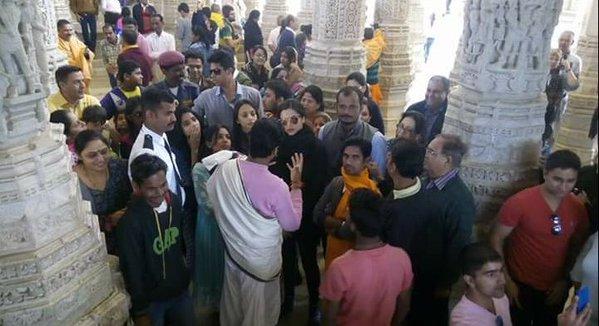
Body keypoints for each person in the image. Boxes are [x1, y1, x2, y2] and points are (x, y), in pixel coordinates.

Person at [207, 119, 303, 325]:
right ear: (275, 150)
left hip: (234, 255)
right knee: (258, 314)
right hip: (260, 262)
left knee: (234, 307)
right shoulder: (277, 186)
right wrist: (296, 185)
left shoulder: (226, 169)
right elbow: (291, 224)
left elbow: (212, 195)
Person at [490, 149, 589, 326]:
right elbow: (496, 238)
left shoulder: (577, 207)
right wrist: (505, 279)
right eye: (557, 179)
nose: (564, 187)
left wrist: (564, 280)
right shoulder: (519, 203)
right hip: (520, 285)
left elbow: (578, 246)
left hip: (555, 288)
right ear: (545, 173)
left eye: (570, 181)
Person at [117, 153, 195, 326]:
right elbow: (132, 269)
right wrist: (140, 311)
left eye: (163, 184)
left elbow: (181, 244)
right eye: (151, 188)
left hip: (180, 291)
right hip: (152, 302)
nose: (159, 192)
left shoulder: (174, 201)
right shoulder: (130, 223)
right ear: (136, 186)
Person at [270, 99, 328, 322]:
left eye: (294, 119)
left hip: (307, 213)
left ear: (303, 119)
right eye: (284, 121)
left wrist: (300, 185)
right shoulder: (280, 146)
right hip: (284, 211)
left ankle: (314, 303)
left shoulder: (315, 147)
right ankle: (288, 299)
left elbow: (319, 182)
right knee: (287, 258)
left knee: (309, 260)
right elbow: (275, 178)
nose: (289, 125)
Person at [407, 133, 475, 325]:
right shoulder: (426, 180)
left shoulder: (459, 199)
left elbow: (458, 244)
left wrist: (446, 282)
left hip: (433, 278)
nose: (425, 155)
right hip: (414, 270)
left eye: (431, 152)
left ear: (447, 160)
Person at [320, 188, 413, 325]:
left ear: (352, 225)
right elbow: (404, 305)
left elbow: (329, 317)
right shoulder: (401, 258)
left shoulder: (340, 267)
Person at [314, 137, 380, 269]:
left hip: (358, 257)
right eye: (346, 156)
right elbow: (317, 214)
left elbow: (351, 233)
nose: (348, 162)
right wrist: (343, 224)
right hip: (333, 251)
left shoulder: (372, 191)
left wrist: (332, 225)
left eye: (355, 157)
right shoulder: (337, 182)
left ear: (366, 161)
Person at [74, 130, 131, 254]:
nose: (100, 159)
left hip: (128, 237)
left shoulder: (121, 168)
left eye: (104, 152)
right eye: (92, 155)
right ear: (79, 155)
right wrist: (108, 221)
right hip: (94, 247)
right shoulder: (73, 183)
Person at [128, 88, 186, 206]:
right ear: (150, 115)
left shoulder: (160, 133)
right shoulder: (146, 152)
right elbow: (153, 198)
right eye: (168, 113)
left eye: (173, 112)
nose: (174, 118)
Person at [319, 86, 387, 178]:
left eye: (352, 107)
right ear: (336, 107)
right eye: (342, 106)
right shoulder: (325, 131)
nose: (346, 112)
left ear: (361, 107)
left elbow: (379, 177)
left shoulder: (375, 138)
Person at [192, 49, 263, 130]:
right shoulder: (205, 97)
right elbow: (192, 119)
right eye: (211, 71)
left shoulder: (253, 94)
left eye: (216, 71)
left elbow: (262, 125)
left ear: (229, 71)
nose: (212, 75)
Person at [450, 243, 512, 326]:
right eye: (491, 275)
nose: (502, 281)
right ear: (470, 280)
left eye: (501, 271)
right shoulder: (464, 320)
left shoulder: (499, 297)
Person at [544, 48, 580, 151]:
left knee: (546, 137)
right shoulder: (540, 73)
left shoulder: (561, 76)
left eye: (556, 59)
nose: (553, 61)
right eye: (551, 58)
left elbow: (574, 85)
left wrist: (568, 68)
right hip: (536, 110)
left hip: (551, 112)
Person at [406, 75, 450, 143]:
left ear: (446, 93)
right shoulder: (414, 109)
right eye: (429, 90)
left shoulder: (449, 116)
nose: (430, 95)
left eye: (436, 92)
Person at [56, 20, 95, 91]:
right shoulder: (56, 43)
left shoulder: (74, 39)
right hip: (68, 73)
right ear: (58, 31)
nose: (69, 33)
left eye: (70, 30)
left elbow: (86, 50)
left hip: (81, 72)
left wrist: (84, 58)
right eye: (66, 30)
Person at [148, 14, 177, 81]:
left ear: (162, 23)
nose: (154, 26)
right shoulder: (149, 38)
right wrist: (164, 54)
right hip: (155, 67)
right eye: (152, 24)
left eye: (157, 23)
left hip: (168, 67)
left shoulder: (170, 38)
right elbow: (149, 54)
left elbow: (171, 53)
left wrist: (156, 54)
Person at [362, 27, 385, 104]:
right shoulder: (377, 44)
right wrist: (378, 29)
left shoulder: (363, 47)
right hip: (374, 80)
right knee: (373, 102)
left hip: (366, 80)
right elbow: (379, 36)